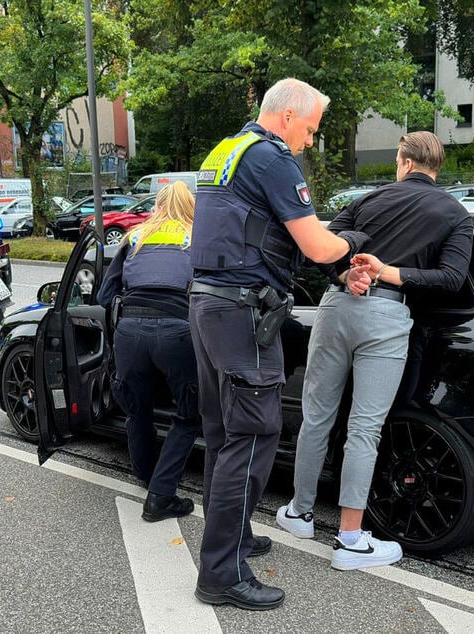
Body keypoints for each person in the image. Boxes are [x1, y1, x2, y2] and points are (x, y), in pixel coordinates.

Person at [189, 78, 370, 611]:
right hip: (243, 312)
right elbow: (316, 244)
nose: (311, 141)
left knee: (224, 435)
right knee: (252, 435)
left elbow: (256, 235)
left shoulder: (228, 150)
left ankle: (234, 539)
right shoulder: (271, 158)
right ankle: (221, 573)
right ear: (289, 116)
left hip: (209, 304)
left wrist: (335, 274)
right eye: (311, 129)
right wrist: (354, 243)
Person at [276, 131, 473, 570]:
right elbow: (452, 278)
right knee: (365, 428)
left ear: (403, 161)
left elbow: (319, 249)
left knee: (317, 415)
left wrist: (348, 275)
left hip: (334, 310)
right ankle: (349, 539)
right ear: (435, 167)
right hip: (386, 316)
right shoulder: (454, 213)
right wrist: (389, 273)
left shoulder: (368, 199)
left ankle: (299, 513)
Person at [96, 181, 200, 522]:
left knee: (136, 410)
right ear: (191, 207)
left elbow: (103, 296)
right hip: (177, 332)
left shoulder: (134, 237)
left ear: (156, 205)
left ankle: (146, 476)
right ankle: (161, 495)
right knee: (188, 414)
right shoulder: (195, 238)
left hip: (130, 332)